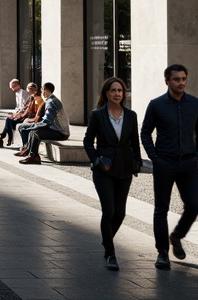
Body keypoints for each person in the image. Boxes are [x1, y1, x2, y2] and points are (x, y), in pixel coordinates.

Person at [141, 63, 198, 270]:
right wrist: (154, 157)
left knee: (195, 205)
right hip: (164, 163)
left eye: (183, 79)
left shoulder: (195, 104)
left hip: (188, 162)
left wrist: (197, 155)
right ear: (167, 81)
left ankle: (177, 235)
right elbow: (145, 132)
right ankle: (162, 253)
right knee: (161, 209)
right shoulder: (156, 105)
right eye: (177, 79)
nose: (181, 83)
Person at [83, 77, 142, 271]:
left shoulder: (131, 115)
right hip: (104, 169)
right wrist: (97, 160)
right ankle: (110, 253)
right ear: (106, 93)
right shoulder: (98, 115)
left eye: (120, 90)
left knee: (120, 213)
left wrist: (137, 163)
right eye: (113, 90)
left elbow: (134, 141)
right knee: (108, 211)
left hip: (124, 168)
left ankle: (106, 240)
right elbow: (87, 141)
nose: (117, 94)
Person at [18, 82, 69, 164]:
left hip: (60, 132)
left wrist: (33, 125)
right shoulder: (52, 100)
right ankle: (31, 154)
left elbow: (47, 121)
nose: (42, 92)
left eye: (42, 90)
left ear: (45, 90)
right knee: (32, 132)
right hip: (57, 129)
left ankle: (33, 156)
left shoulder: (51, 102)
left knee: (34, 133)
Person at [0, 80, 33, 147]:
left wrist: (17, 114)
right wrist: (14, 113)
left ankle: (4, 138)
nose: (12, 89)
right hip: (19, 113)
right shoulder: (17, 94)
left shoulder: (23, 93)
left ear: (18, 85)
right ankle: (4, 138)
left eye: (13, 87)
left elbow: (25, 106)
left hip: (24, 115)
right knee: (8, 119)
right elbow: (18, 107)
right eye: (11, 88)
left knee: (9, 120)